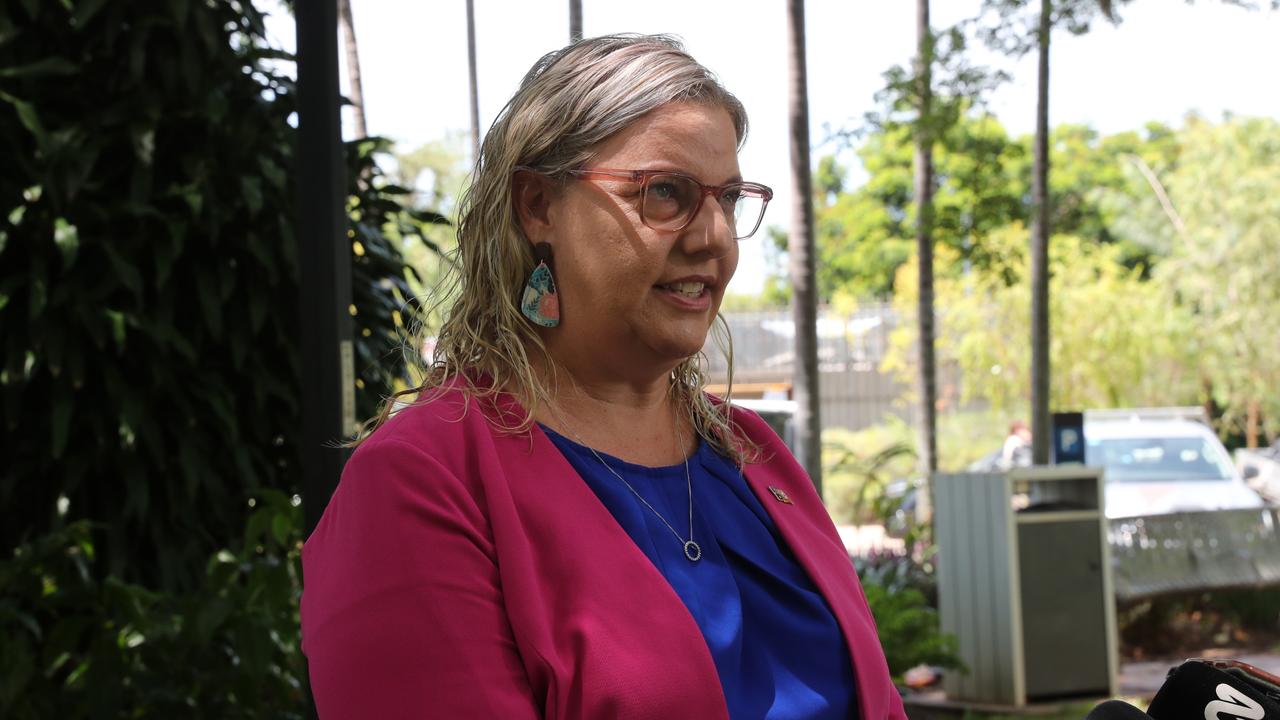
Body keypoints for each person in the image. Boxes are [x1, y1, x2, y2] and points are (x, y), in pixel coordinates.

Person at [301, 35, 907, 720]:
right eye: (665, 194)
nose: (714, 237)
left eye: (730, 199)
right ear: (537, 206)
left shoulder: (755, 456)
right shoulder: (424, 483)